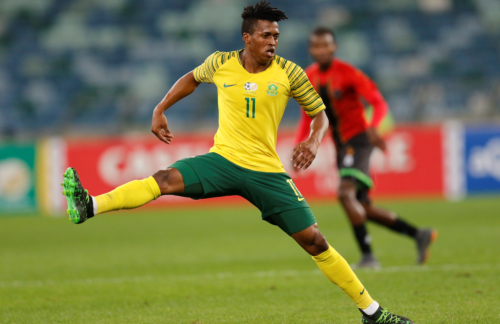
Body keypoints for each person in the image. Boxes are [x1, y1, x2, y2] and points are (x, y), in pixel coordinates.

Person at [62, 2, 414, 323]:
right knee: (164, 178)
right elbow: (191, 79)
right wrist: (160, 109)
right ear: (247, 38)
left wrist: (313, 139)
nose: (273, 41)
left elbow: (319, 114)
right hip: (223, 161)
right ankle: (89, 205)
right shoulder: (220, 62)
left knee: (316, 242)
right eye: (266, 35)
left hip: (266, 172)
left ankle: (372, 313)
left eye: (276, 35)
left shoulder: (290, 73)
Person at [294, 27, 437, 269]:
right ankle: (419, 234)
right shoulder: (308, 77)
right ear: (310, 50)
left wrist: (373, 127)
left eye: (325, 45)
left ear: (334, 47)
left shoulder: (349, 73)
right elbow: (306, 117)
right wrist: (300, 146)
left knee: (344, 194)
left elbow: (379, 103)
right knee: (363, 208)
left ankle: (369, 257)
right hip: (341, 147)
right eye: (316, 46)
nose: (321, 50)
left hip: (358, 140)